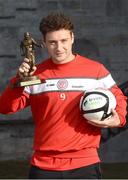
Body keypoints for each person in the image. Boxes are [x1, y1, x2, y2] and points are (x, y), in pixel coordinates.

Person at [0, 12, 127, 179]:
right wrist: (18, 80)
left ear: (72, 38)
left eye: (64, 41)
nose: (59, 48)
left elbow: (119, 97)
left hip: (85, 164)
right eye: (52, 42)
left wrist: (119, 118)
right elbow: (5, 107)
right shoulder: (35, 74)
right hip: (44, 165)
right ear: (44, 43)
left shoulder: (96, 70)